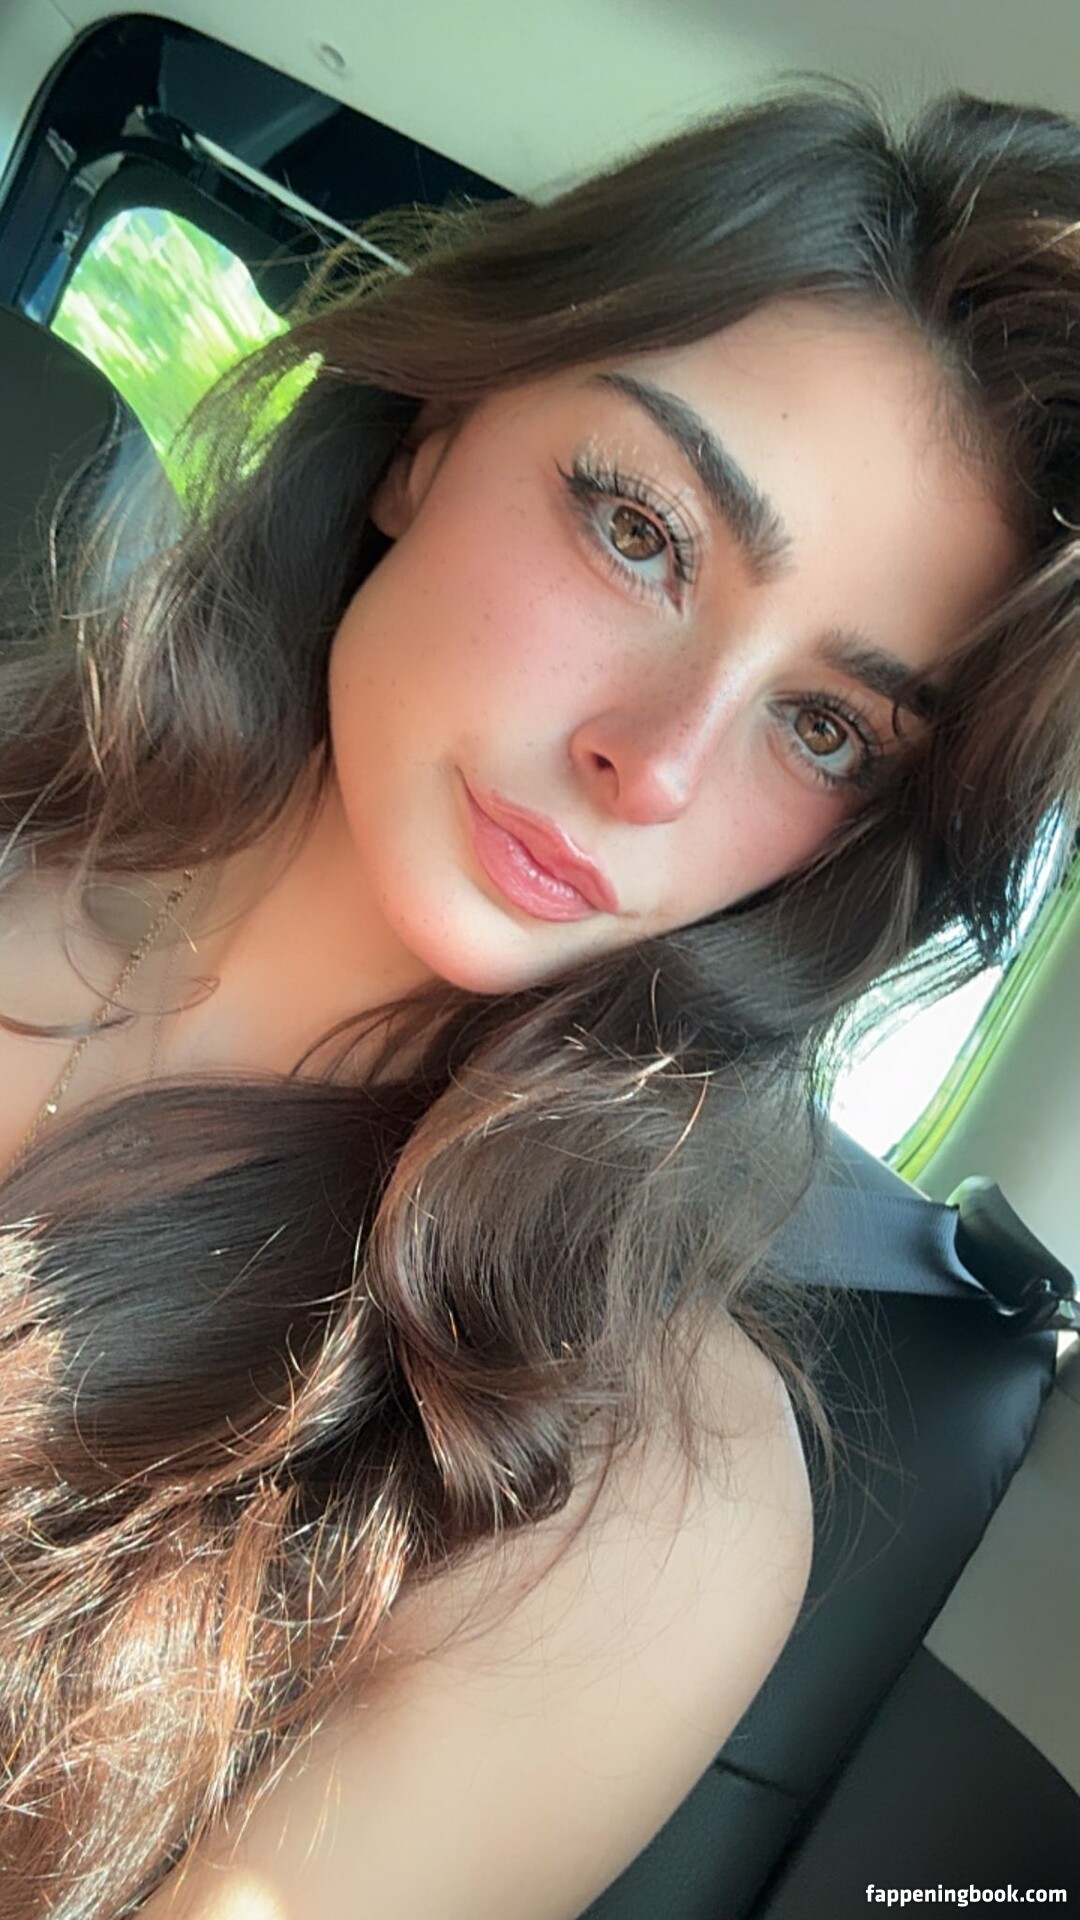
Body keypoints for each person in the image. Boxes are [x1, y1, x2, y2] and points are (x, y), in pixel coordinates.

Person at [1, 74, 1079, 1920]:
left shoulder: (623, 1483)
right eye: (643, 532)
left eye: (825, 725)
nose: (654, 767)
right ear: (432, 435)